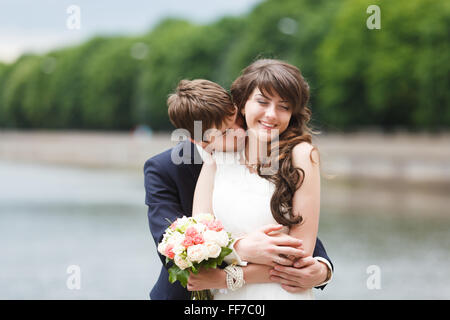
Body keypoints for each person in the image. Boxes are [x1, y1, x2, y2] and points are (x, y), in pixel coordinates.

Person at [144, 75, 333, 300]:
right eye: (224, 132)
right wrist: (239, 248)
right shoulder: (164, 169)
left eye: (235, 119)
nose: (239, 131)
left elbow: (285, 220)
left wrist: (322, 268)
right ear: (197, 140)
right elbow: (172, 248)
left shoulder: (269, 152)